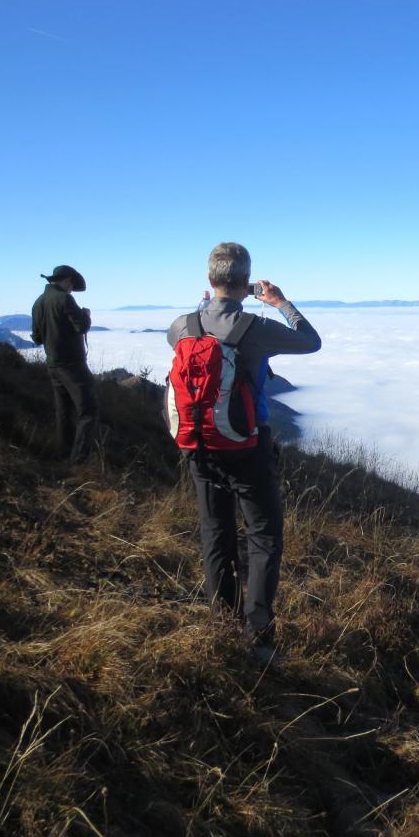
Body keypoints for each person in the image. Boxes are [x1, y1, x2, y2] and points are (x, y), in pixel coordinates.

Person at [166, 242, 321, 659]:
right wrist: (281, 302)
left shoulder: (182, 325)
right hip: (248, 445)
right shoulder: (255, 327)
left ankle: (222, 623)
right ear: (246, 282)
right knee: (264, 536)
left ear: (210, 280)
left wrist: (200, 311)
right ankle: (259, 636)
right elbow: (311, 342)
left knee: (216, 533)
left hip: (198, 444)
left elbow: (176, 345)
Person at [31, 265, 98, 463]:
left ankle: (63, 453)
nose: (71, 288)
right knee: (88, 411)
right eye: (71, 284)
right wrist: (86, 315)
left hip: (53, 364)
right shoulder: (64, 299)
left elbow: (36, 338)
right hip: (73, 365)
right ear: (67, 280)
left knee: (63, 411)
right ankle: (78, 459)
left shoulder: (39, 302)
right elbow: (82, 326)